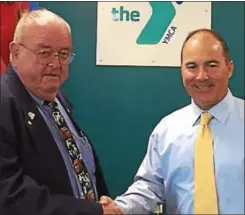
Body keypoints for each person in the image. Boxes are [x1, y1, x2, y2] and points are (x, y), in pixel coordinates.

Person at [100, 28, 244, 214]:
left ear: (229, 68)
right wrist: (119, 209)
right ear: (182, 70)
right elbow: (150, 188)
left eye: (212, 65)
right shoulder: (167, 130)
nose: (202, 76)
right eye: (192, 66)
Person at [0, 8, 123, 215]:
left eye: (63, 54)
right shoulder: (4, 104)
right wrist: (91, 211)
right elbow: (9, 194)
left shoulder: (56, 99)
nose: (55, 64)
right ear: (15, 52)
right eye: (44, 52)